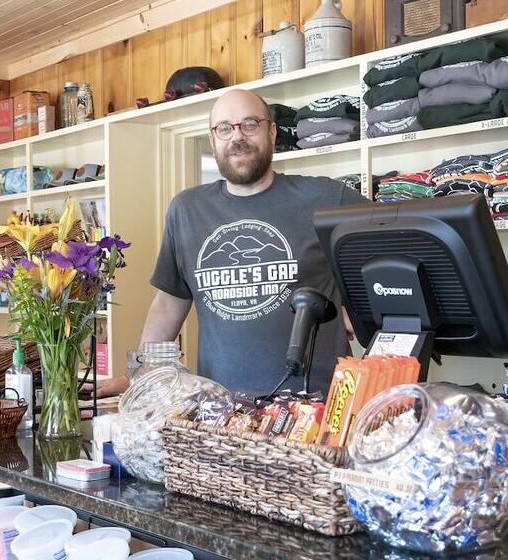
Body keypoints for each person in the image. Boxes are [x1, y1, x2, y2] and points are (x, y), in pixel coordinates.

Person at [98, 89, 366, 396]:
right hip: (221, 410)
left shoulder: (325, 197)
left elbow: (397, 241)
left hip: (316, 406)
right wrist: (138, 379)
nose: (237, 137)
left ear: (272, 131)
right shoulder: (187, 209)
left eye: (250, 124)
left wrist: (360, 307)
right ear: (213, 141)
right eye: (224, 128)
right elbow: (168, 303)